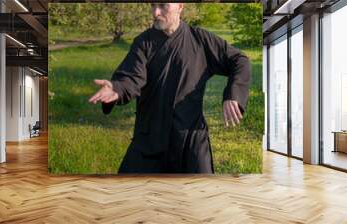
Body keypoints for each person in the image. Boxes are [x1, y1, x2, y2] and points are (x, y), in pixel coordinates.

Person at [88, 3, 251, 174]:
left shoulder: (200, 40)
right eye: (153, 5)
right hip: (150, 136)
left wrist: (233, 93)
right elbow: (132, 77)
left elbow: (239, 60)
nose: (155, 12)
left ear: (180, 6)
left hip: (190, 138)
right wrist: (117, 88)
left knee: (201, 193)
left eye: (163, 6)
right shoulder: (144, 42)